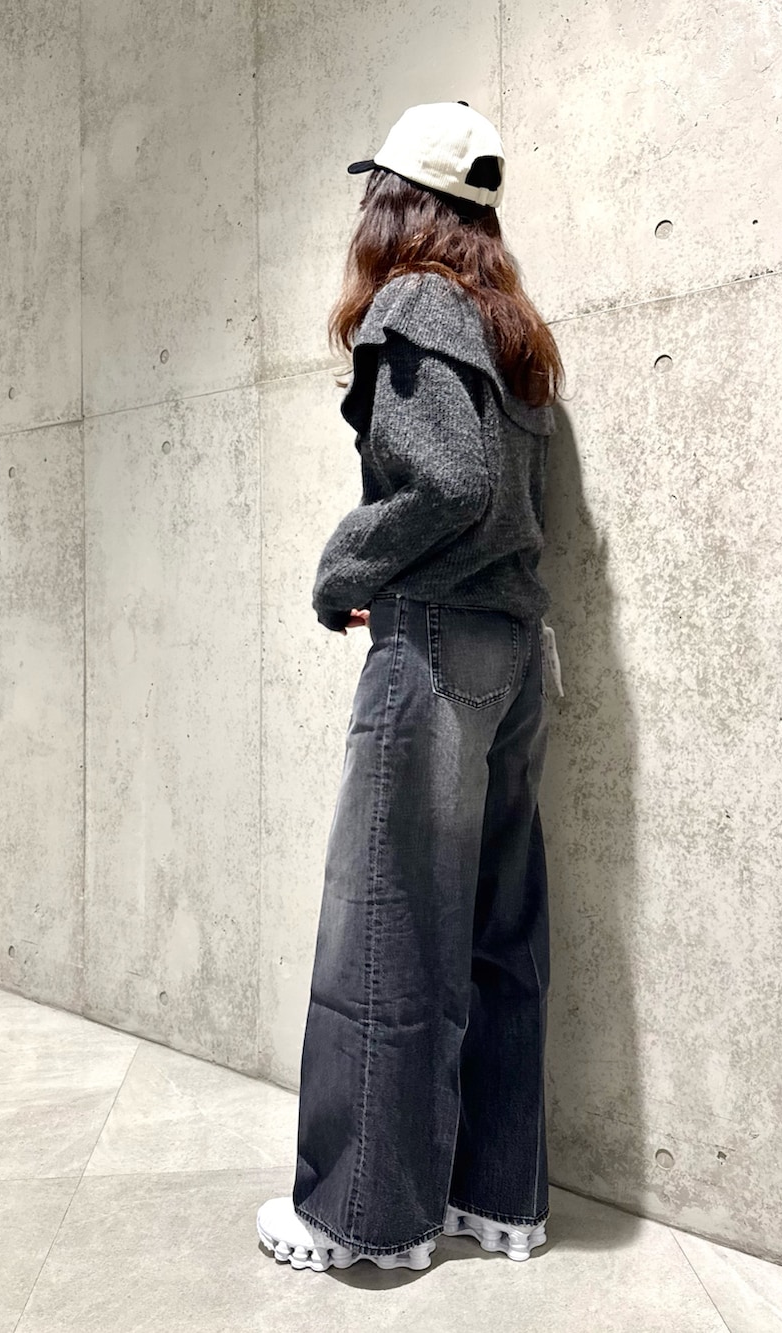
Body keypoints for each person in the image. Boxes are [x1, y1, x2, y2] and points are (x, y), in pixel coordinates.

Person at [256, 101, 566, 1274]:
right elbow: (501, 491)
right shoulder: (511, 327)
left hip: (435, 645)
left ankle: (362, 1220)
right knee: (497, 930)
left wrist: (343, 570)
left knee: (386, 929)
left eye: (370, 189)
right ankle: (496, 1197)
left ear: (399, 201)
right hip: (515, 651)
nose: (361, 209)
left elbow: (446, 481)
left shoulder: (414, 302)